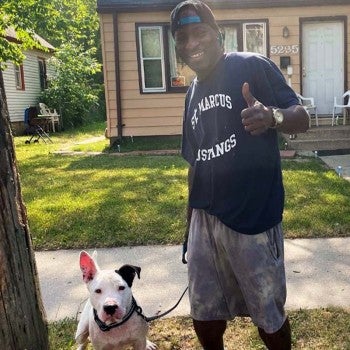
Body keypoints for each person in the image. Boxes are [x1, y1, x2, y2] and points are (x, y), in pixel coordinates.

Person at [170, 1, 309, 349]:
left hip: (253, 218)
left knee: (269, 318)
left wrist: (273, 117)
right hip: (206, 219)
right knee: (204, 315)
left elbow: (301, 116)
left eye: (198, 32)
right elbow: (195, 163)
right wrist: (190, 228)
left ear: (217, 34)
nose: (191, 43)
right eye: (182, 37)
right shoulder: (191, 95)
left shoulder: (249, 66)